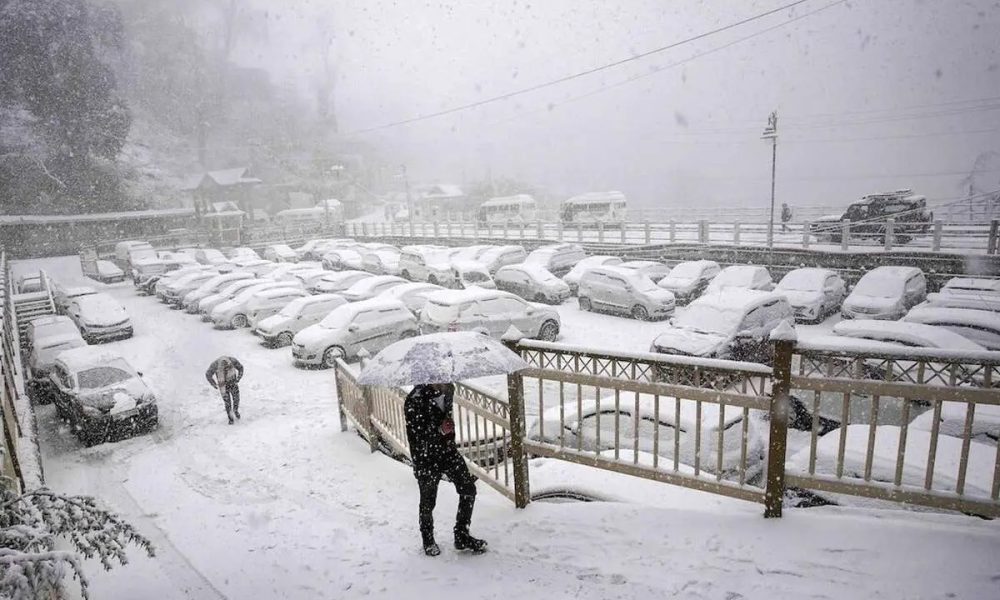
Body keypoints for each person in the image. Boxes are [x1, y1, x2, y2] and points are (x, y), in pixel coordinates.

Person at [403, 383, 487, 556]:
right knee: (428, 500)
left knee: (468, 489)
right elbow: (416, 435)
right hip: (425, 457)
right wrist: (439, 430)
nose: (444, 380)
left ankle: (461, 535)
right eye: (440, 378)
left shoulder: (449, 388)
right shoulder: (414, 399)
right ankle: (428, 540)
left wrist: (446, 431)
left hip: (447, 451)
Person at [205, 356, 244, 424]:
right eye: (224, 369)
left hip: (233, 382)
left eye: (227, 368)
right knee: (227, 403)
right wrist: (213, 384)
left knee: (236, 399)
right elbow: (208, 374)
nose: (226, 370)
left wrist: (238, 378)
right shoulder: (215, 364)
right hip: (223, 386)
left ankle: (235, 410)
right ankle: (230, 418)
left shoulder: (232, 360)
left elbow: (241, 368)